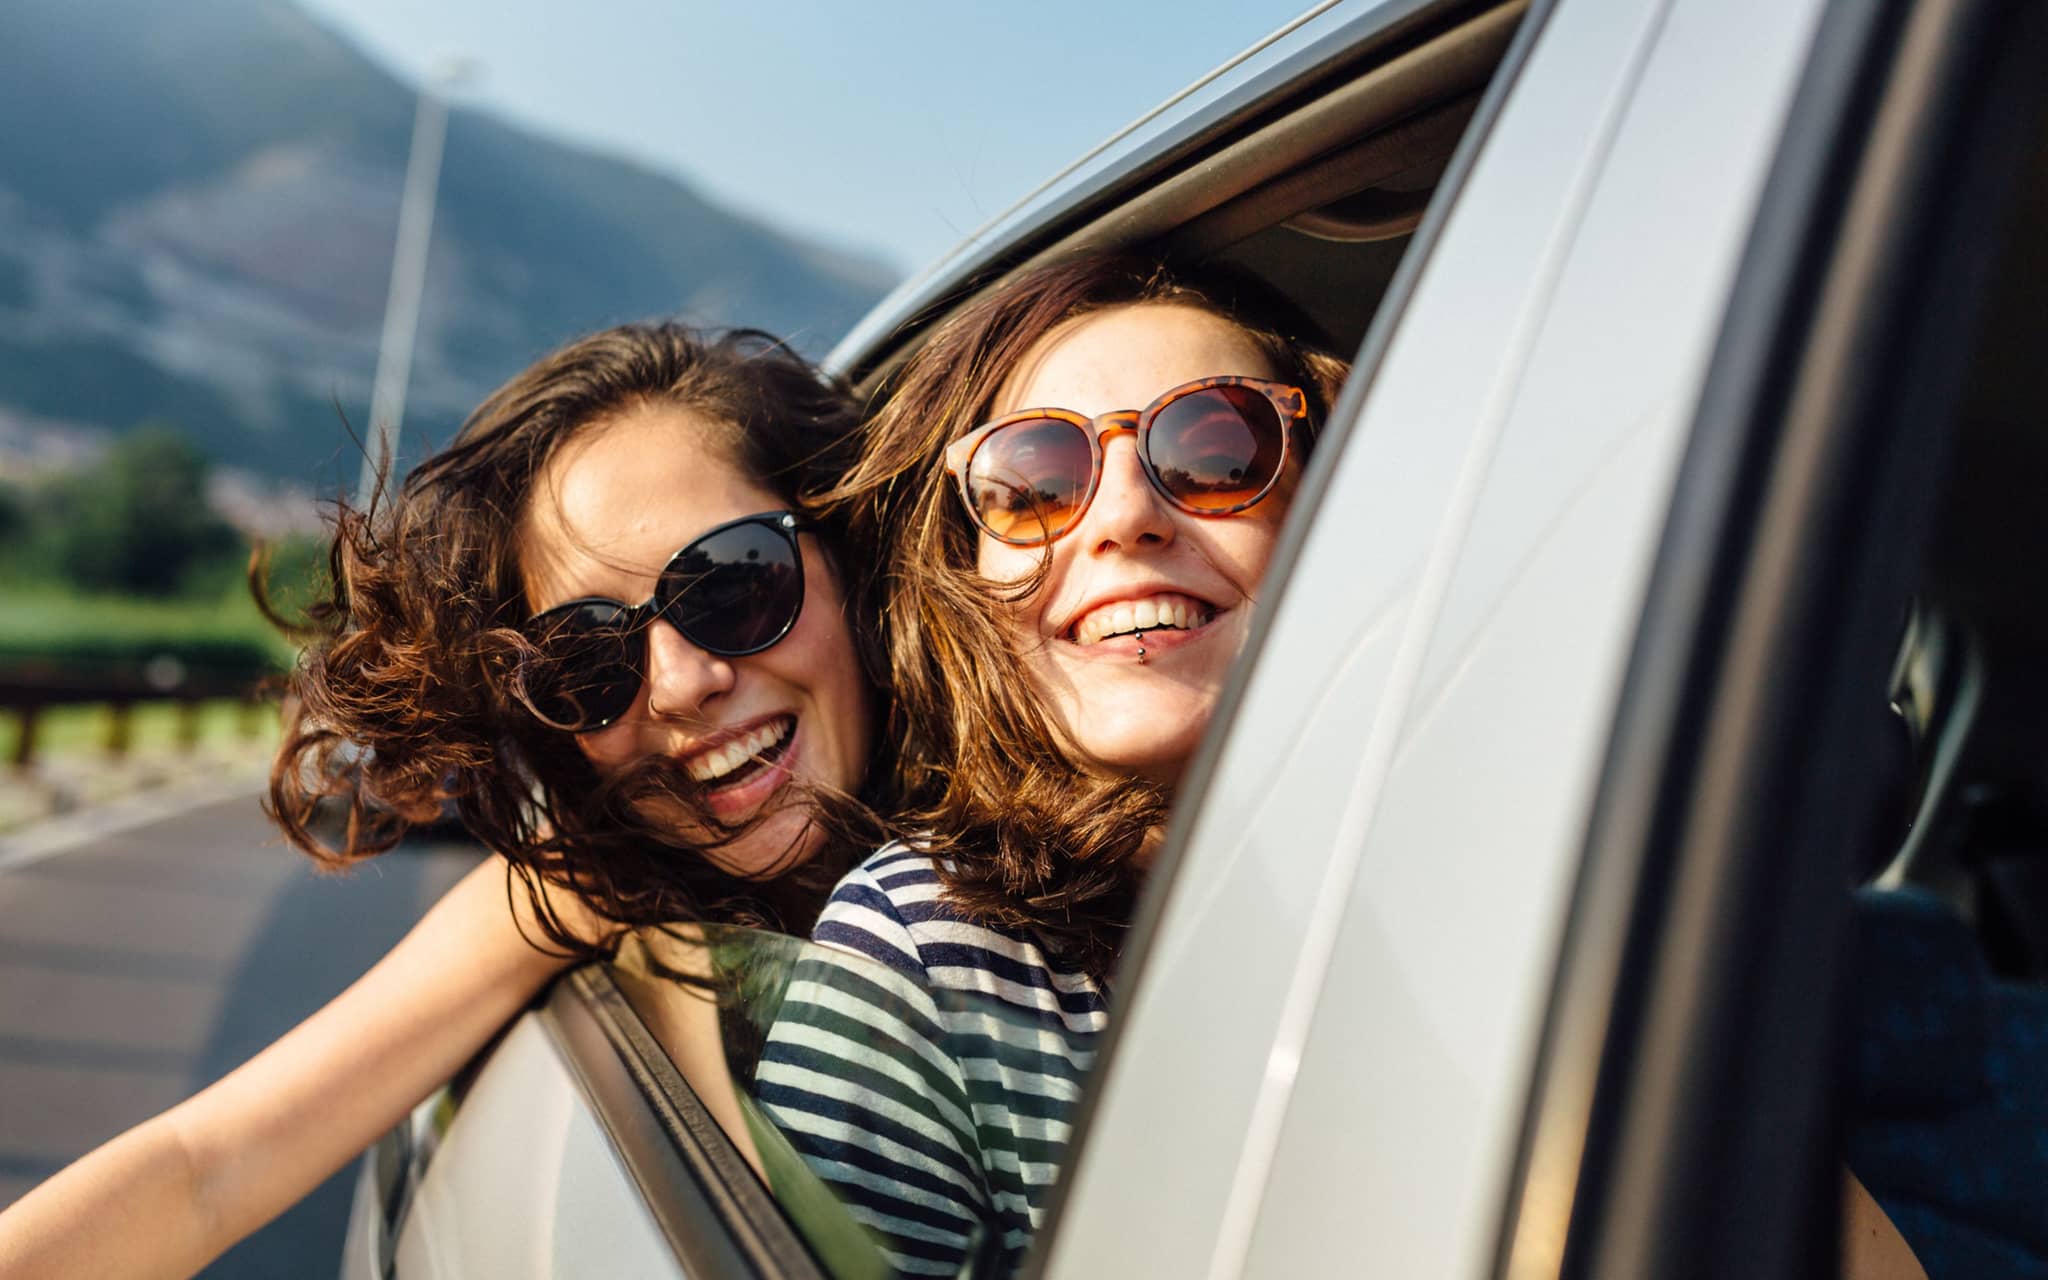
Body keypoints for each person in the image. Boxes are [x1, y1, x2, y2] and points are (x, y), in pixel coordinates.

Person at [0, 323, 889, 1278]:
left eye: (735, 583)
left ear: (848, 554)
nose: (679, 684)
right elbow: (205, 1169)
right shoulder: (595, 883)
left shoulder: (1056, 817)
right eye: (586, 657)